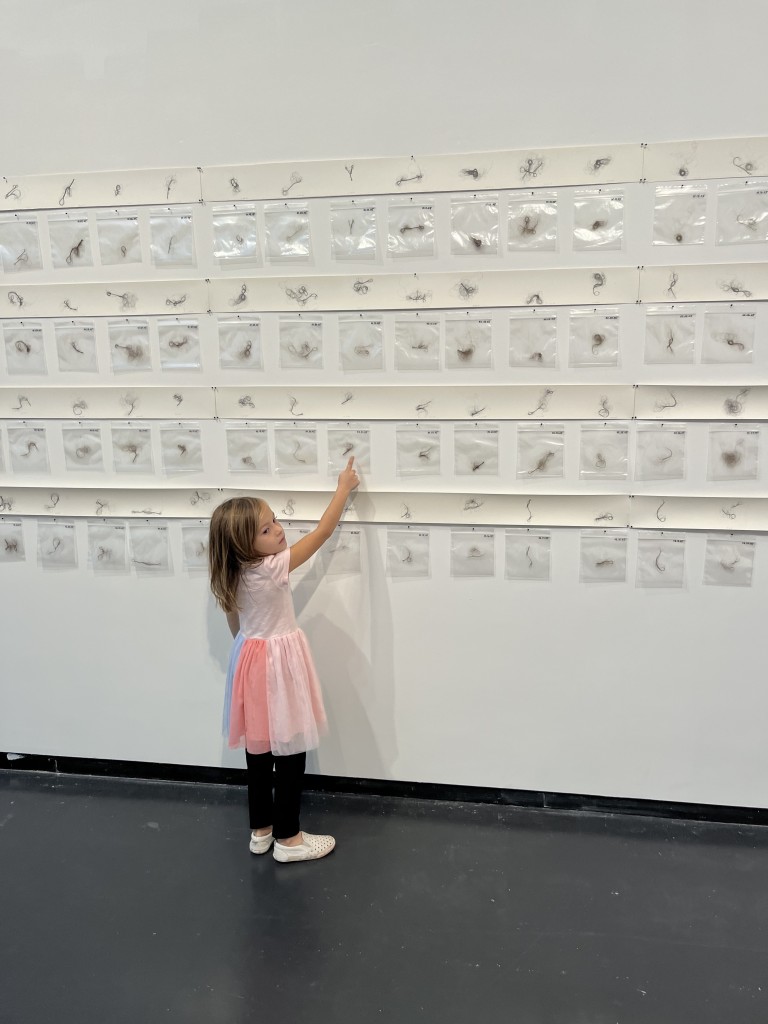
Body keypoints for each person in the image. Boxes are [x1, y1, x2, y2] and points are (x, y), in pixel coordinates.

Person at [208, 457, 360, 863]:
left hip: (248, 660)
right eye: (266, 529)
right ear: (243, 544)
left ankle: (261, 830)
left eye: (274, 520)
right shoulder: (274, 567)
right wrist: (343, 488)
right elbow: (322, 532)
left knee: (258, 751)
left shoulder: (230, 573)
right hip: (279, 665)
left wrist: (248, 649)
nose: (278, 529)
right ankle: (289, 839)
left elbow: (234, 623)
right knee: (290, 750)